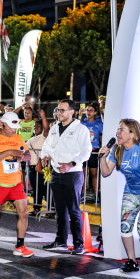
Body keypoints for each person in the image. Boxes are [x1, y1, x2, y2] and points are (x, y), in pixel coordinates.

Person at [99, 119, 140, 277]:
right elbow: (106, 173)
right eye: (118, 129)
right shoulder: (117, 150)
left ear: (132, 133)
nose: (117, 133)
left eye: (121, 130)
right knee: (125, 226)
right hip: (131, 192)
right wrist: (102, 157)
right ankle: (132, 261)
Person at [40, 99, 92, 253]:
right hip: (56, 173)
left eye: (62, 110)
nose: (59, 113)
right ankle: (60, 240)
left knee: (74, 210)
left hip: (73, 174)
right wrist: (44, 156)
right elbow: (47, 145)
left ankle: (78, 244)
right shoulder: (55, 128)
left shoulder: (81, 129)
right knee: (60, 210)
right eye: (58, 109)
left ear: (72, 112)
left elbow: (86, 151)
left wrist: (72, 163)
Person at [0, 112, 34, 257]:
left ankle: (20, 245)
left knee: (23, 213)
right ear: (2, 124)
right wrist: (9, 152)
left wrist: (23, 156)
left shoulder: (17, 137)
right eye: (11, 127)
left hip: (16, 182)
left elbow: (29, 155)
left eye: (15, 127)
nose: (13, 130)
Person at [80, 101, 104, 200]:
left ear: (95, 113)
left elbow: (102, 138)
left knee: (94, 174)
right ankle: (82, 195)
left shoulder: (99, 124)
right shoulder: (82, 123)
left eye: (91, 110)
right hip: (83, 151)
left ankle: (96, 195)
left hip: (94, 151)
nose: (88, 112)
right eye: (87, 110)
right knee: (83, 174)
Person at [25, 121, 48, 214]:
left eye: (38, 126)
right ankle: (36, 209)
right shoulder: (31, 139)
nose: (35, 127)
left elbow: (46, 129)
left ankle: (52, 209)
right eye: (34, 126)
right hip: (31, 168)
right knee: (36, 189)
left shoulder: (44, 137)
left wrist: (43, 118)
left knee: (44, 189)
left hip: (40, 167)